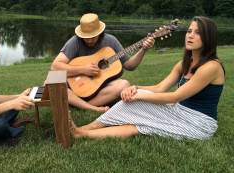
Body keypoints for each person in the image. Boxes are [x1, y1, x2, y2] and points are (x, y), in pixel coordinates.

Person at [70, 16, 225, 140]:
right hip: (179, 111)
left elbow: (175, 96)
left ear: (208, 38)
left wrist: (139, 95)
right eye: (189, 31)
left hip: (198, 123)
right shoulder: (184, 63)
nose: (190, 35)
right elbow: (159, 88)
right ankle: (82, 131)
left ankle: (81, 132)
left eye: (197, 33)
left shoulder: (211, 67)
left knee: (141, 124)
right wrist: (135, 88)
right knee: (131, 110)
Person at [51, 13, 155, 113]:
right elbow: (55, 67)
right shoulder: (74, 42)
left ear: (100, 32)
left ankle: (83, 105)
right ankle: (92, 108)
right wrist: (83, 69)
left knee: (124, 84)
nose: (90, 40)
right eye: (86, 37)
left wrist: (143, 49)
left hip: (99, 89)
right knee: (53, 81)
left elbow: (130, 65)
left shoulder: (111, 41)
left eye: (93, 36)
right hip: (76, 85)